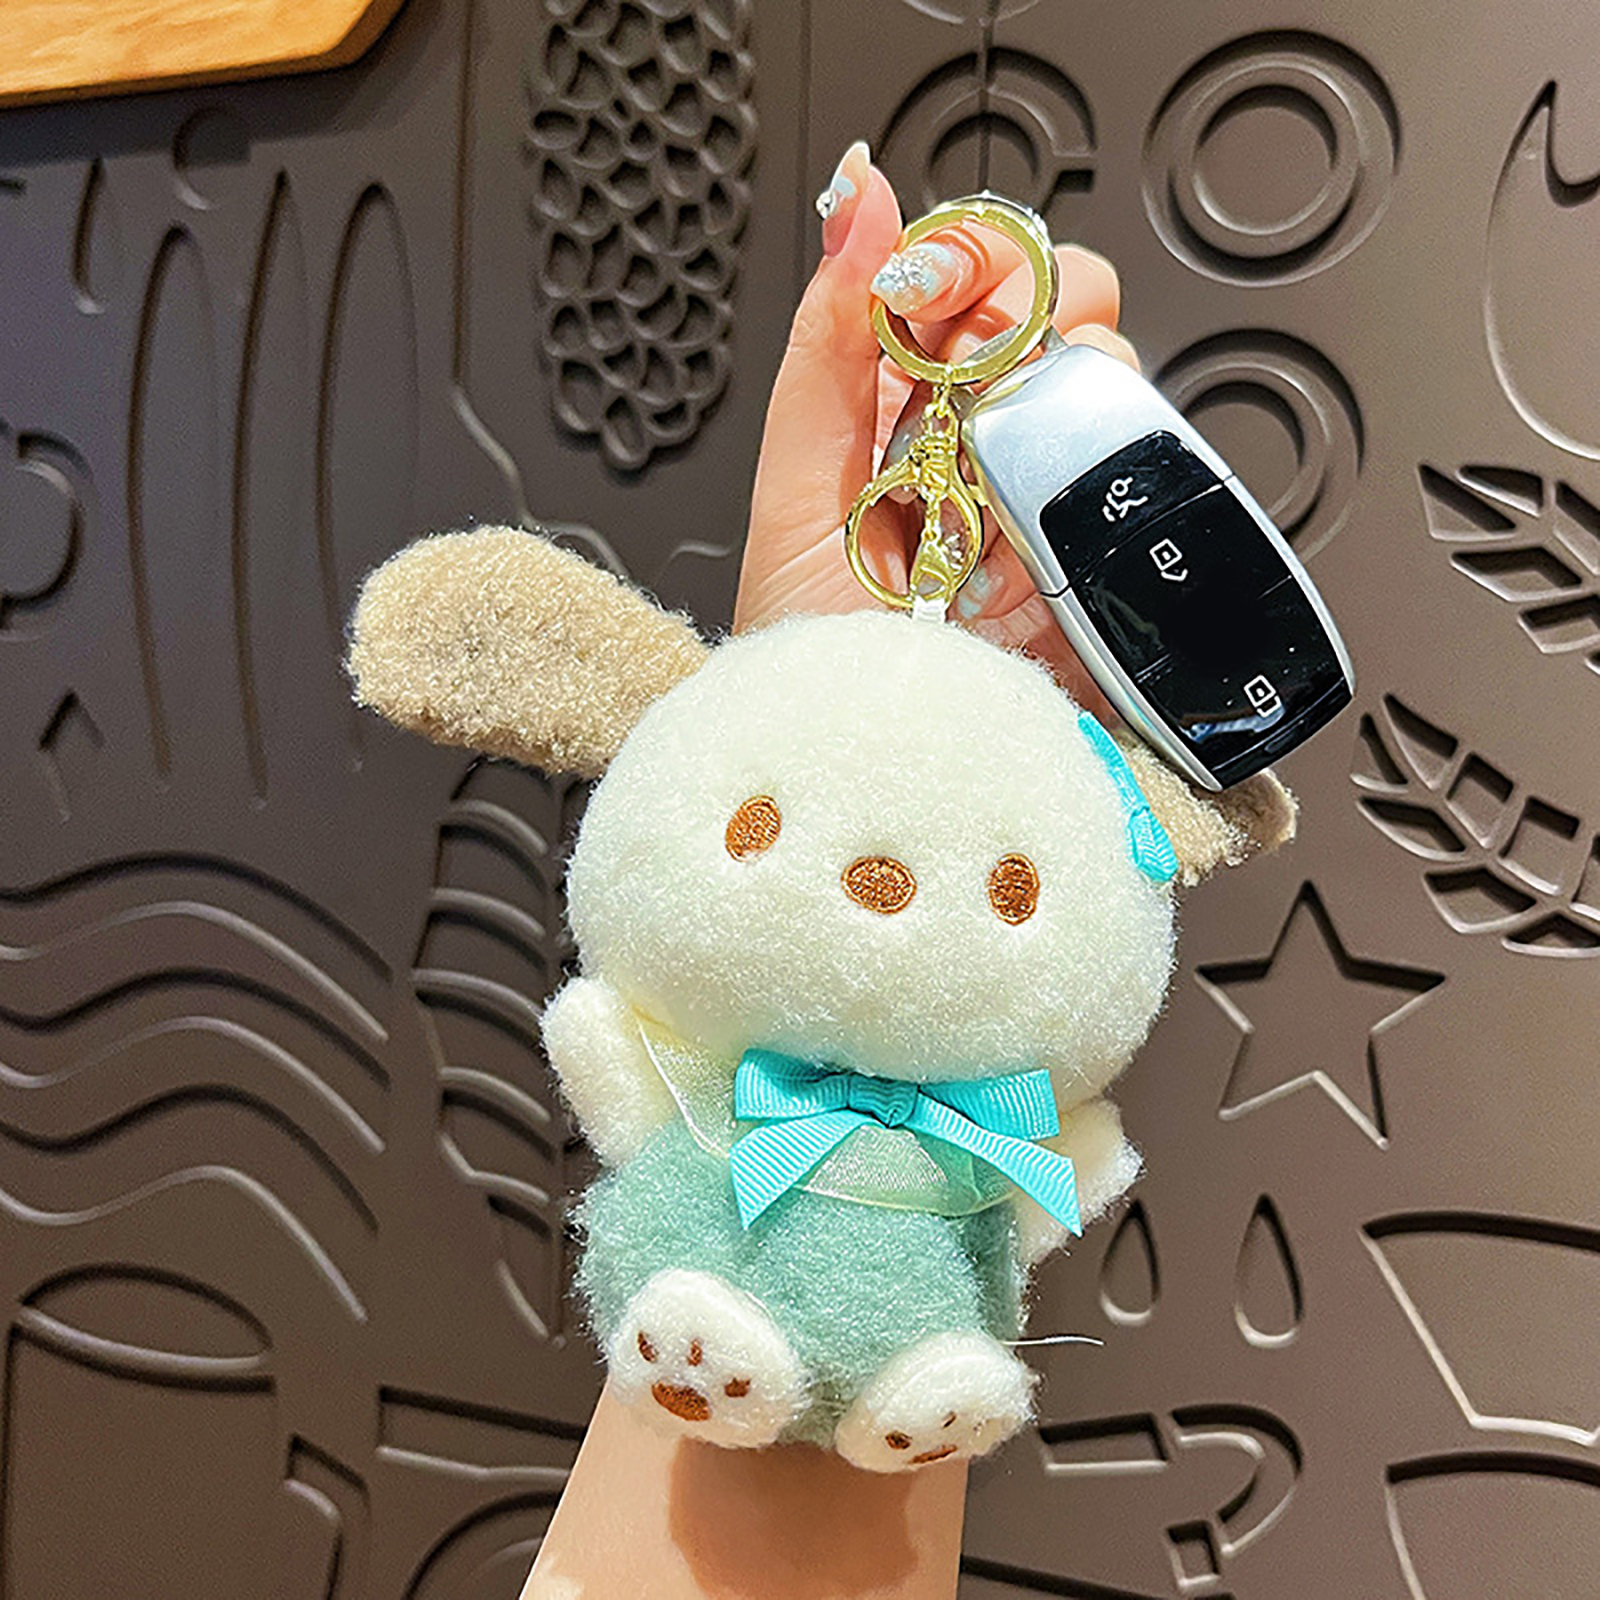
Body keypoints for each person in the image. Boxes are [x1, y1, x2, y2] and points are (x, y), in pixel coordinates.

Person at [523, 142, 1141, 1600]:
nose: (883, 897)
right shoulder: (745, 1062)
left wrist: (1011, 743)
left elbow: (1064, 1160)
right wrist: (804, 690)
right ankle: (741, 1341)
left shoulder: (987, 1101)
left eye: (1007, 889)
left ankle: (910, 1379)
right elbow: (615, 1052)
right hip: (710, 1313)